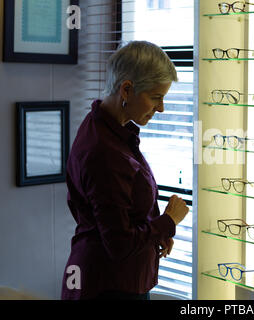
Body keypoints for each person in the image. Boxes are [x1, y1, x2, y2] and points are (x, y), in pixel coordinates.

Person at [60, 41, 189, 300]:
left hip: (111, 278)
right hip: (109, 287)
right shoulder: (104, 151)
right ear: (127, 89)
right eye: (156, 97)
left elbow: (118, 215)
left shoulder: (103, 127)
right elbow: (119, 244)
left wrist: (157, 233)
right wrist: (168, 221)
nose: (161, 108)